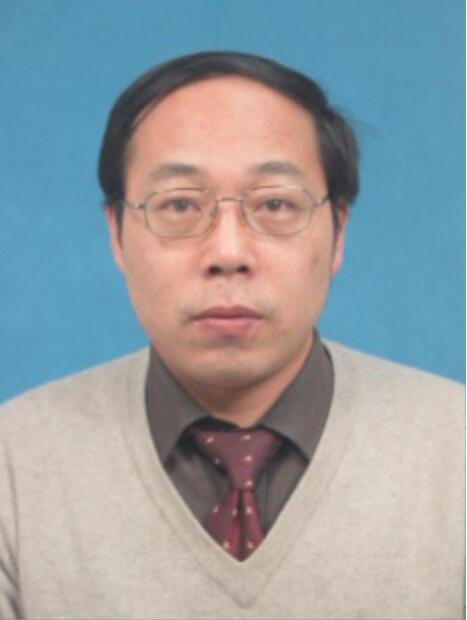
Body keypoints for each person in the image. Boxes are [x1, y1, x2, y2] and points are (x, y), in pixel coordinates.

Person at [0, 51, 463, 620]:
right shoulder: (13, 463)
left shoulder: (455, 448)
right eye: (178, 205)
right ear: (117, 234)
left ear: (338, 231)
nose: (227, 252)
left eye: (274, 204)